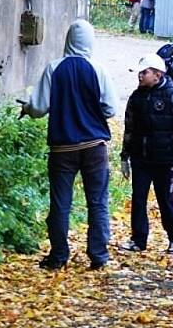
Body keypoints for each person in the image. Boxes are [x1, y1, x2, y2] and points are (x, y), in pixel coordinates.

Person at [20, 19, 118, 271]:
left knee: (61, 203)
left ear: (68, 40)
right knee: (97, 201)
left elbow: (40, 108)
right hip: (95, 146)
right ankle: (99, 255)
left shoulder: (54, 69)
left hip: (62, 148)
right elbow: (111, 108)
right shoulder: (98, 69)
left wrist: (27, 108)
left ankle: (58, 255)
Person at [120, 53, 173, 254]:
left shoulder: (172, 97)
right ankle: (138, 239)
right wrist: (125, 156)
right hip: (141, 158)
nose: (140, 76)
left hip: (165, 159)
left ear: (158, 75)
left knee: (167, 200)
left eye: (145, 72)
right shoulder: (136, 98)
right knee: (138, 198)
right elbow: (129, 128)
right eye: (140, 73)